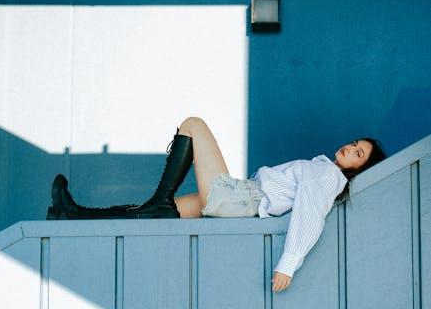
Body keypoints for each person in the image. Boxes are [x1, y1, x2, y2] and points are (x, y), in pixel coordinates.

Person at [47, 116, 386, 293]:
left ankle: (157, 203)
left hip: (244, 198)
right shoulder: (323, 168)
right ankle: (72, 215)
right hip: (243, 199)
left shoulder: (328, 175)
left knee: (193, 125)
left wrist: (289, 262)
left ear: (360, 169)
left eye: (359, 154)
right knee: (147, 217)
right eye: (355, 144)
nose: (351, 149)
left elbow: (312, 215)